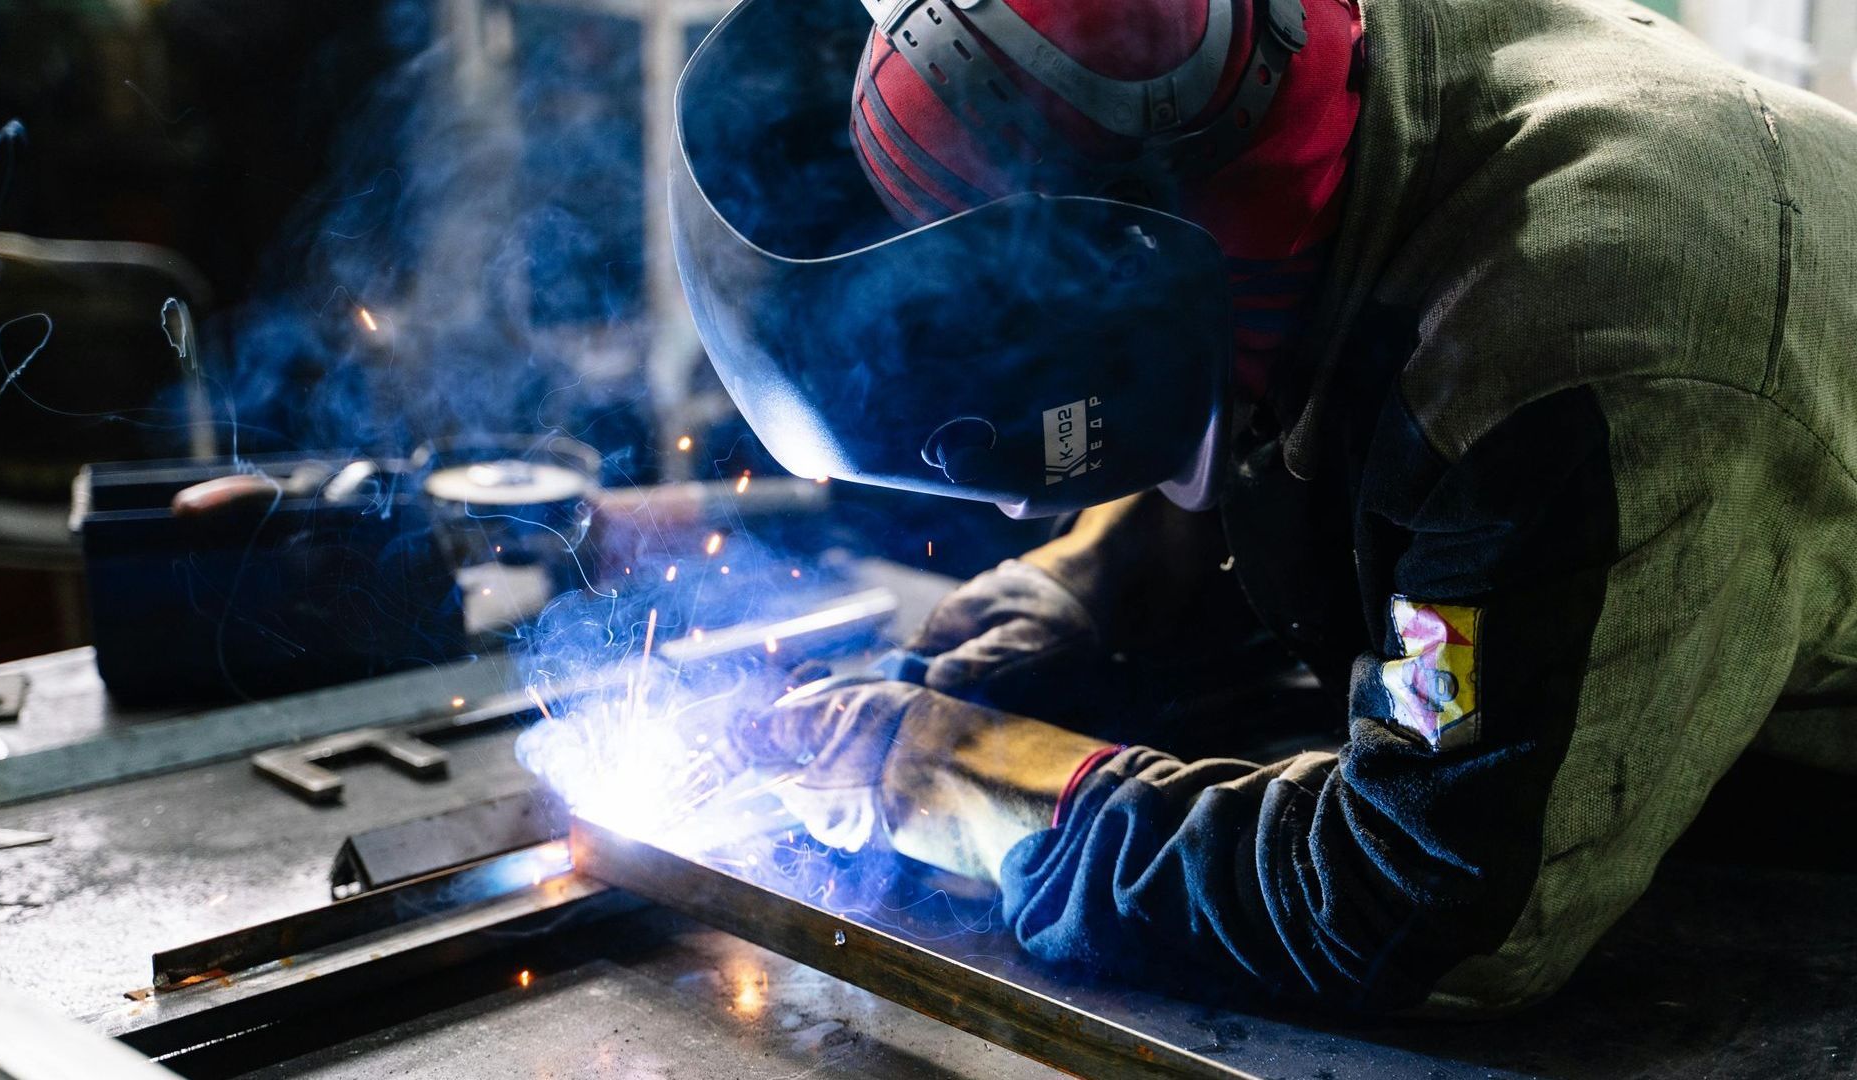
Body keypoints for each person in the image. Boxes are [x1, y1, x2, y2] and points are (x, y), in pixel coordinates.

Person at [669, 0, 1857, 1014]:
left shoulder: (1587, 372)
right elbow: (1315, 364)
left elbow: (1415, 909)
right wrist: (1094, 589)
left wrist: (968, 776)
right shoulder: (1320, 71)